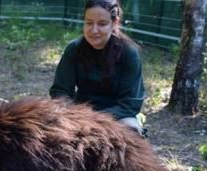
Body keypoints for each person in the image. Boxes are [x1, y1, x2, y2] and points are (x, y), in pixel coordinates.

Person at [50, 0, 146, 136]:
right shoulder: (74, 49)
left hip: (118, 116)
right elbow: (61, 91)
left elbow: (130, 104)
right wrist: (72, 114)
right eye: (89, 23)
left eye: (102, 24)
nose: (94, 30)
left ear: (114, 23)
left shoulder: (129, 53)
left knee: (132, 130)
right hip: (79, 113)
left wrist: (96, 119)